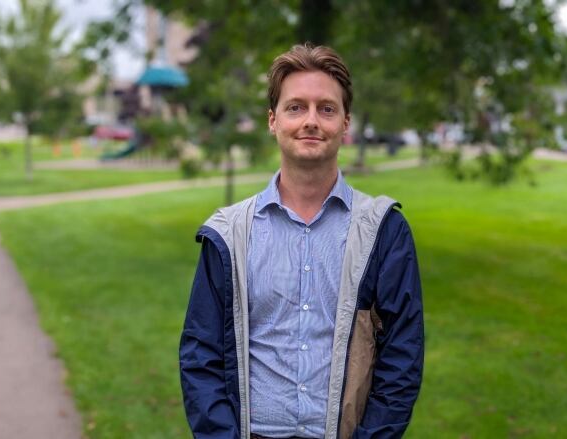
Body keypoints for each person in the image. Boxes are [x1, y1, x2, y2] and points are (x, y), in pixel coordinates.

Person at [180, 43, 424, 439]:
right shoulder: (229, 234)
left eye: (326, 109)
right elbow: (201, 357)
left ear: (345, 124)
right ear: (273, 120)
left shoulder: (383, 230)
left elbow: (402, 357)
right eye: (296, 107)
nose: (311, 120)